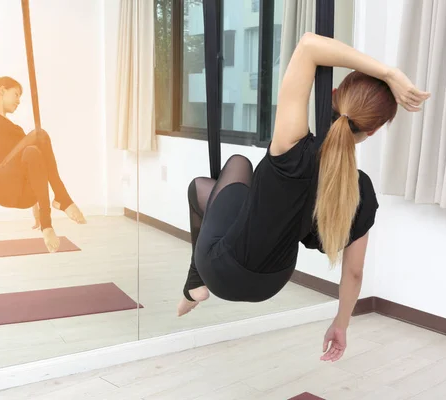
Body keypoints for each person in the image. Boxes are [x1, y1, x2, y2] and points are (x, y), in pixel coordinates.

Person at [177, 33, 430, 362]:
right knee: (242, 198)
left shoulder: (292, 146)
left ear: (333, 96)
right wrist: (341, 325)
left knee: (218, 176)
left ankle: (195, 283)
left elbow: (309, 46)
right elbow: (353, 273)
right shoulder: (361, 190)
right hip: (272, 282)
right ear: (375, 130)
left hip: (222, 272)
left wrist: (389, 73)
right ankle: (195, 283)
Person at [0, 61, 87, 253]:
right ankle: (60, 200)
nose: (18, 100)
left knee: (33, 150)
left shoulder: (18, 131)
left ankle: (47, 219)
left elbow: (32, 166)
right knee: (38, 136)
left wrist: (36, 206)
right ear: (2, 91)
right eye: (16, 94)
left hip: (23, 194)